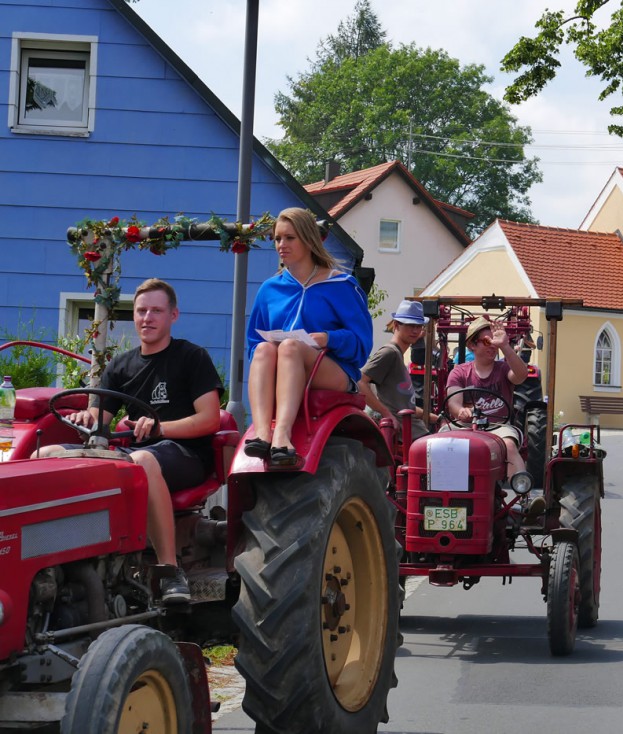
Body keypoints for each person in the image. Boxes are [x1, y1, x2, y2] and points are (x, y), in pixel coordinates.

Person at [36, 279, 223, 604]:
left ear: (173, 315)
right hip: (136, 450)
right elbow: (101, 422)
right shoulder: (120, 365)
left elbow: (210, 418)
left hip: (185, 453)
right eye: (141, 311)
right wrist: (87, 419)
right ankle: (50, 563)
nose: (147, 317)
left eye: (156, 310)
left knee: (142, 462)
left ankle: (169, 571)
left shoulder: (192, 357)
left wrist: (160, 428)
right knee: (46, 454)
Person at [245, 207, 373, 467]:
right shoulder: (270, 289)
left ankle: (282, 432)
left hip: (332, 371)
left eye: (290, 238)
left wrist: (327, 338)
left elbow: (361, 346)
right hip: (283, 368)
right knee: (263, 350)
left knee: (291, 347)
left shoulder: (342, 285)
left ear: (308, 239)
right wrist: (270, 348)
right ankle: (261, 431)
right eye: (278, 239)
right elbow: (252, 342)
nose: (282, 245)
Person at [445, 316, 528, 479]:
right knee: (439, 445)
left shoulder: (503, 369)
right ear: (472, 345)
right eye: (487, 342)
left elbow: (521, 375)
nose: (493, 346)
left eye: (495, 342)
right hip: (464, 426)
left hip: (498, 426)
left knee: (509, 446)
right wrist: (461, 411)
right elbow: (453, 404)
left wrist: (505, 346)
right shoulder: (459, 372)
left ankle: (522, 492)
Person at [360, 299, 438, 440]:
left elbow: (401, 403)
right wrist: (386, 415)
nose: (415, 330)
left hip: (413, 429)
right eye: (410, 325)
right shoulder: (389, 353)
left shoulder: (397, 355)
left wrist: (434, 417)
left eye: (418, 326)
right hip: (406, 433)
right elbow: (360, 382)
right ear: (396, 325)